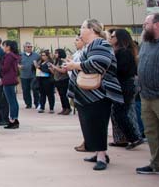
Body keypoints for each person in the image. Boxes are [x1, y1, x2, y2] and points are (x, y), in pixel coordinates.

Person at [64, 19, 123, 171]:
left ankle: (102, 156)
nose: (80, 30)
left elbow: (98, 63)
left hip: (99, 93)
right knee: (89, 124)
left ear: (91, 29)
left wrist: (74, 65)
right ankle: (98, 153)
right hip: (87, 93)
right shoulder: (89, 46)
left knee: (97, 124)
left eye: (82, 27)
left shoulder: (101, 44)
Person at [108, 29, 143, 149]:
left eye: (113, 36)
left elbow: (121, 70)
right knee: (119, 113)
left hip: (125, 86)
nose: (110, 38)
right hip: (123, 85)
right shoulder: (121, 51)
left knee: (120, 113)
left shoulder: (123, 52)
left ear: (119, 38)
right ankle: (123, 139)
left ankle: (134, 137)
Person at [137, 13, 159, 174]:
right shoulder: (145, 43)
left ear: (156, 25)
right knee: (151, 132)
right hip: (146, 96)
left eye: (146, 23)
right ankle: (156, 164)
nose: (144, 26)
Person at [0, 40, 21, 129]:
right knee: (13, 101)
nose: (3, 48)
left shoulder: (9, 56)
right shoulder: (13, 56)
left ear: (8, 47)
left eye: (4, 46)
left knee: (11, 101)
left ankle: (12, 120)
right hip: (11, 79)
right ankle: (15, 119)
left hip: (8, 80)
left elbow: (5, 68)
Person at [49, 49, 72, 114]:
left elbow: (64, 71)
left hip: (63, 80)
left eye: (56, 53)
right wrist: (51, 69)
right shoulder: (56, 61)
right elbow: (55, 72)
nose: (55, 54)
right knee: (61, 95)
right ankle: (64, 108)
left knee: (64, 94)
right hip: (57, 80)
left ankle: (68, 108)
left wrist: (55, 67)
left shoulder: (62, 61)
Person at [19, 42, 40, 109]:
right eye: (28, 47)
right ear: (24, 48)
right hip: (24, 76)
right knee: (25, 90)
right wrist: (19, 66)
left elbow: (40, 63)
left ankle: (37, 103)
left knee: (35, 90)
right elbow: (16, 63)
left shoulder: (36, 55)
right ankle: (28, 104)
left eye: (30, 47)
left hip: (34, 76)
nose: (29, 48)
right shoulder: (20, 55)